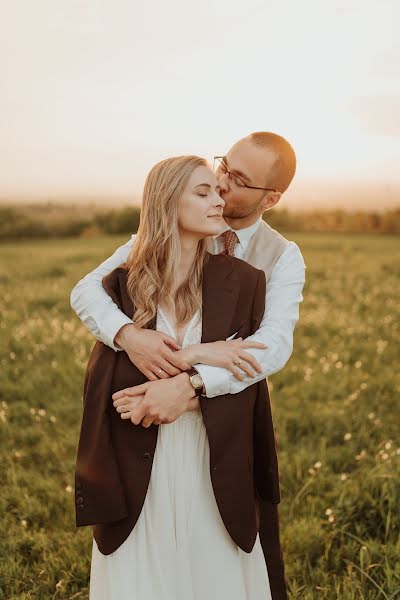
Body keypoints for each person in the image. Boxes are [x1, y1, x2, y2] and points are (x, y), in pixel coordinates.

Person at [74, 155, 285, 599]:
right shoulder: (124, 281)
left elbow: (260, 356)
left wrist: (189, 371)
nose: (219, 197)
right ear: (168, 203)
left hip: (213, 450)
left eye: (222, 187)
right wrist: (190, 350)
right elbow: (114, 376)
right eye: (204, 190)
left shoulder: (249, 279)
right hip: (140, 454)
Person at [70, 132, 306, 415]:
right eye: (224, 167)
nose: (221, 183)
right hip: (145, 402)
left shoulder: (283, 256)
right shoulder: (176, 229)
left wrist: (192, 383)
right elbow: (86, 290)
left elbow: (274, 344)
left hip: (227, 411)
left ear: (270, 200)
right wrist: (130, 336)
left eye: (238, 180)